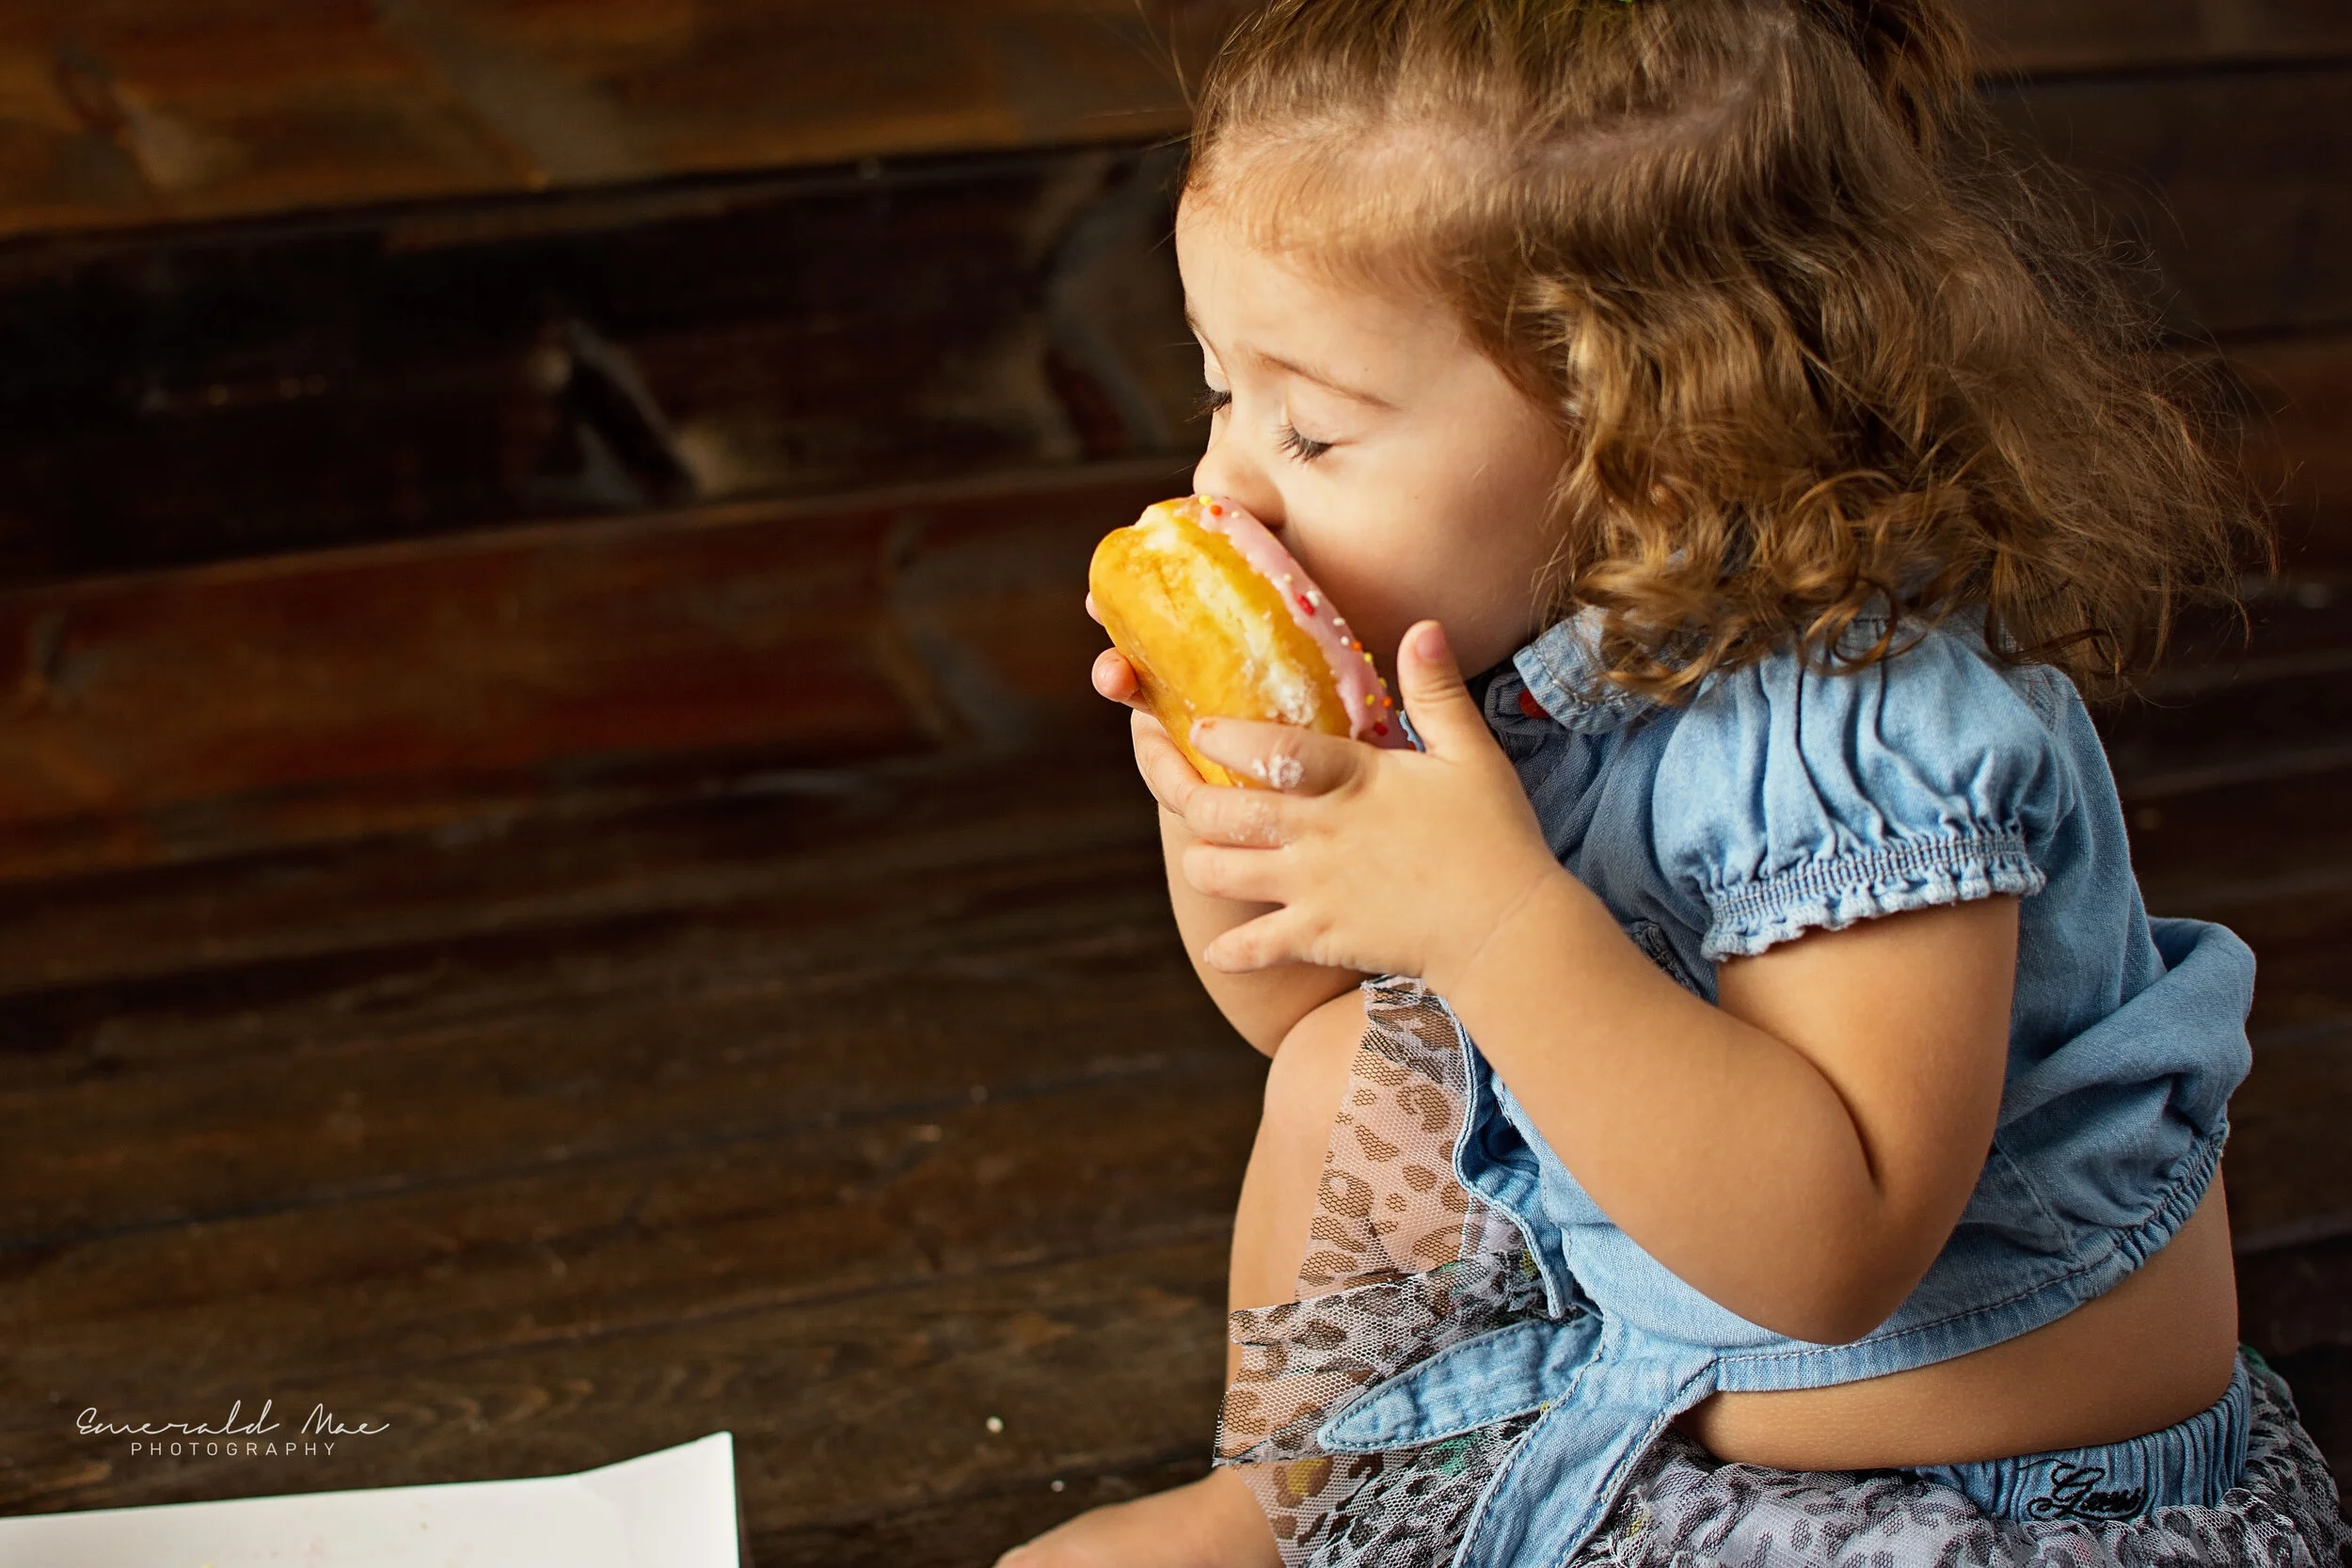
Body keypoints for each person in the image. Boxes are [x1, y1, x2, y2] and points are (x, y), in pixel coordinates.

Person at [1004, 1, 2349, 1563]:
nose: (1221, 477)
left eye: (1309, 425)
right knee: (1347, 1065)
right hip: (1644, 1376)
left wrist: (1493, 920)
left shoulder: (1864, 732)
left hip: (1962, 1501)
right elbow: (1306, 1018)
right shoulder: (1504, 634)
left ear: (1642, 438)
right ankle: (1299, 1491)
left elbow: (1833, 1252)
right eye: (1222, 392)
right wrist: (1236, 822)